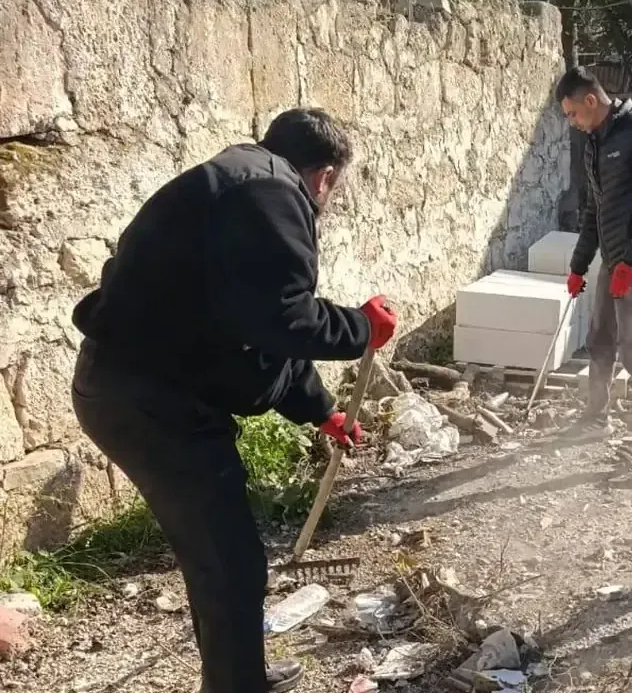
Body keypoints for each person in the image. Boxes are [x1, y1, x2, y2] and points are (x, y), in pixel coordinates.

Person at [69, 108, 397, 693]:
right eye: (333, 189)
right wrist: (359, 329)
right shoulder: (270, 191)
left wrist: (320, 409)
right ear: (323, 175)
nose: (327, 200)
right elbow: (283, 317)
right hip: (152, 401)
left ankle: (236, 674)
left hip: (135, 390)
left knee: (222, 556)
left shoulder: (239, 185)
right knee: (230, 560)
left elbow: (248, 334)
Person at [554, 66, 632, 457]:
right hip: (614, 258)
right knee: (601, 341)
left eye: (572, 114)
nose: (572, 123)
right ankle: (596, 417)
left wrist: (631, 262)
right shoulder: (596, 141)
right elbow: (595, 209)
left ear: (591, 100)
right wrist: (579, 265)